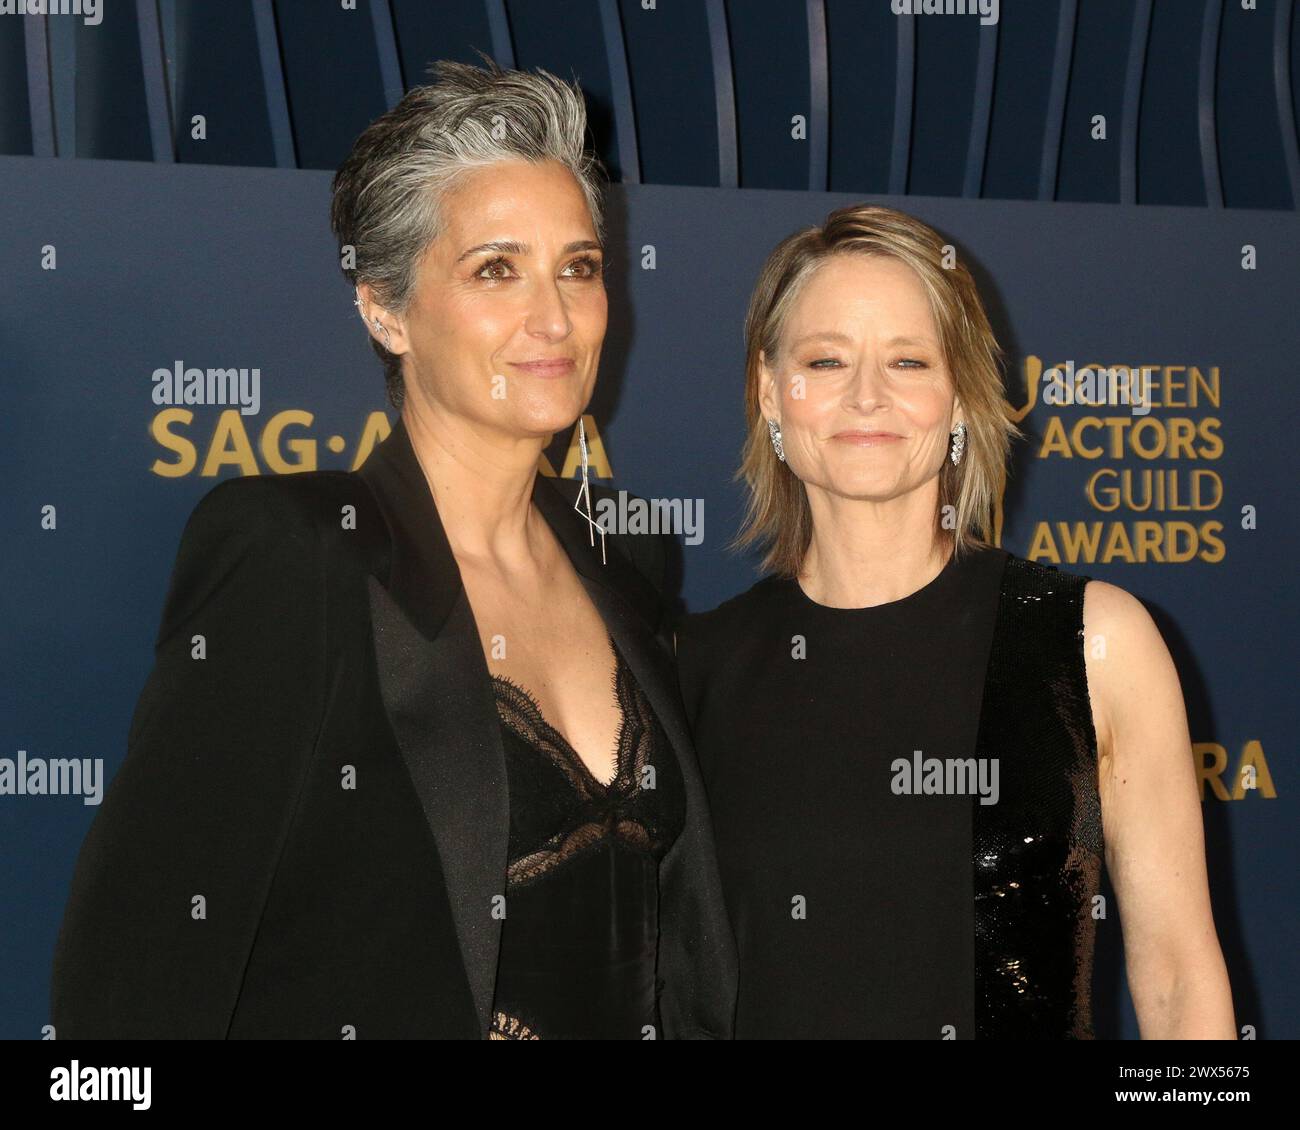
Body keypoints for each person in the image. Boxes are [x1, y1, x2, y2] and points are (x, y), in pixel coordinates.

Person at [50, 57, 736, 1040]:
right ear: (384, 307)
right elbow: (133, 978)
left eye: (577, 267)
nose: (553, 318)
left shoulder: (625, 558)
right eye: (496, 268)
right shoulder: (299, 556)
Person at [674, 203, 1234, 1039]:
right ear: (770, 392)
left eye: (908, 360)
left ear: (963, 396)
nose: (867, 395)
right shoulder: (693, 672)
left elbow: (1180, 980)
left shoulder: (1091, 641)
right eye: (826, 360)